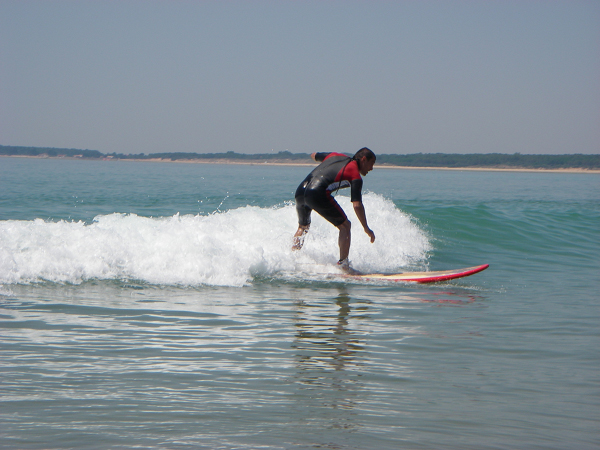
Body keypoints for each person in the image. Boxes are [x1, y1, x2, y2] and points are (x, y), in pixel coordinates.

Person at [292, 147, 376, 273]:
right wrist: (366, 228)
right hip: (317, 193)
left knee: (303, 227)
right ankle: (343, 266)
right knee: (345, 226)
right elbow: (357, 205)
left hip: (300, 191)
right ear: (363, 159)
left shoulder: (334, 155)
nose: (371, 168)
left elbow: (314, 155)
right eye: (371, 164)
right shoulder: (355, 175)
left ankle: (291, 259)